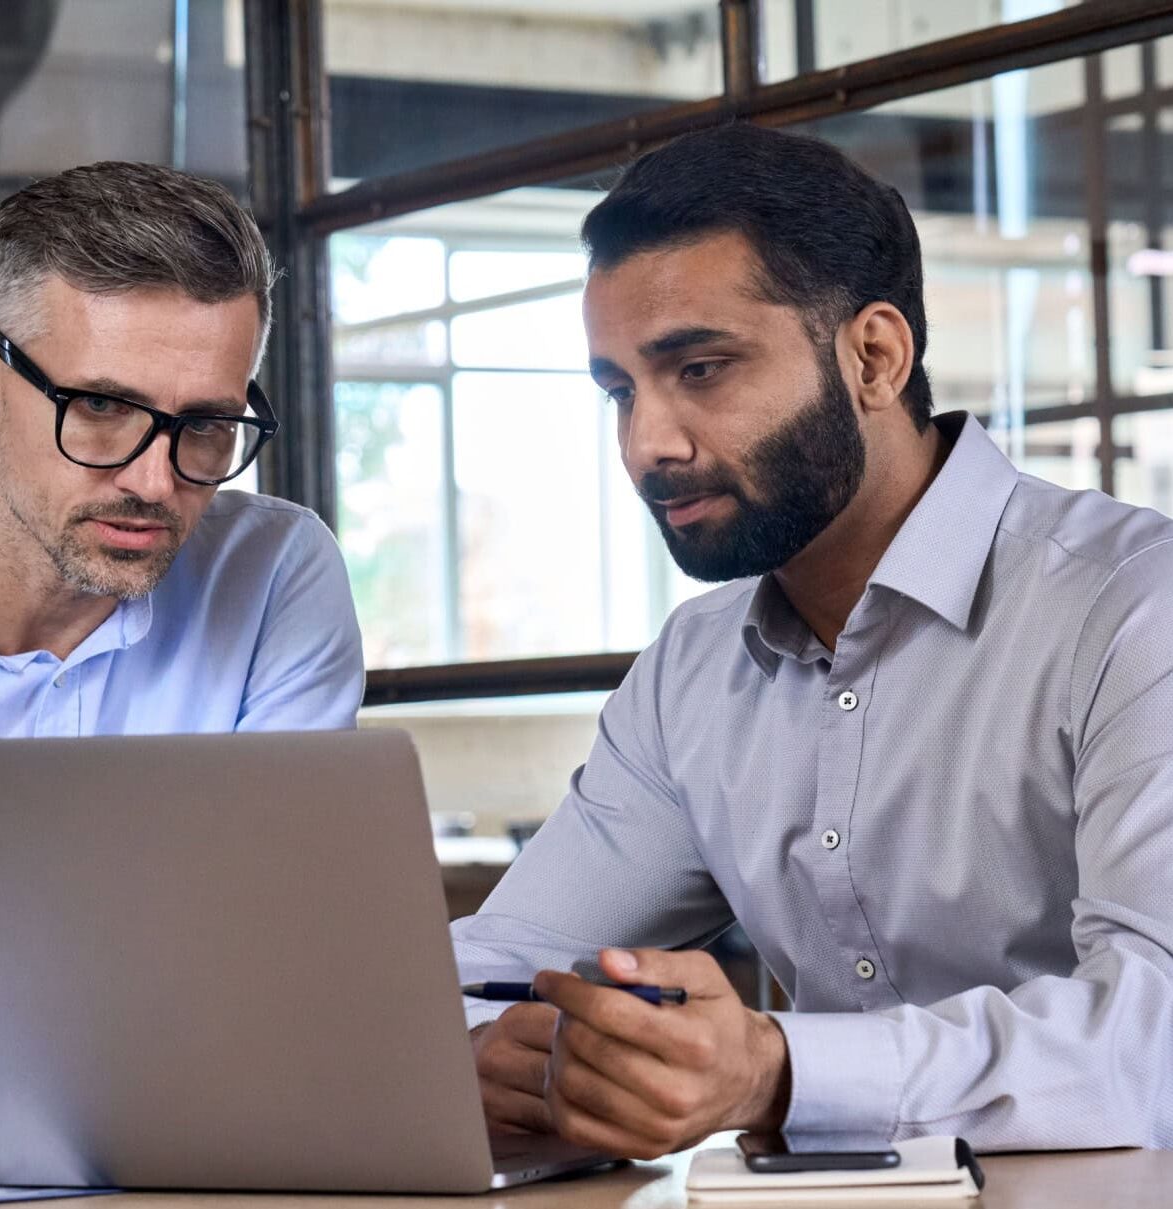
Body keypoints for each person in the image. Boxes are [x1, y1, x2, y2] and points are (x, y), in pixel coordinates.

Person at [455, 121, 1173, 1156]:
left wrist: (778, 1070)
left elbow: (1151, 1037)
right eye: (619, 392)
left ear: (874, 356)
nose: (648, 444)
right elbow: (496, 965)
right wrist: (497, 1051)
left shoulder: (1130, 605)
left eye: (700, 369)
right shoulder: (692, 673)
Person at [0, 161, 364, 1134]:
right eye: (103, 410)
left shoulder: (278, 575)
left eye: (205, 425)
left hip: (178, 1191)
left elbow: (268, 982)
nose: (157, 482)